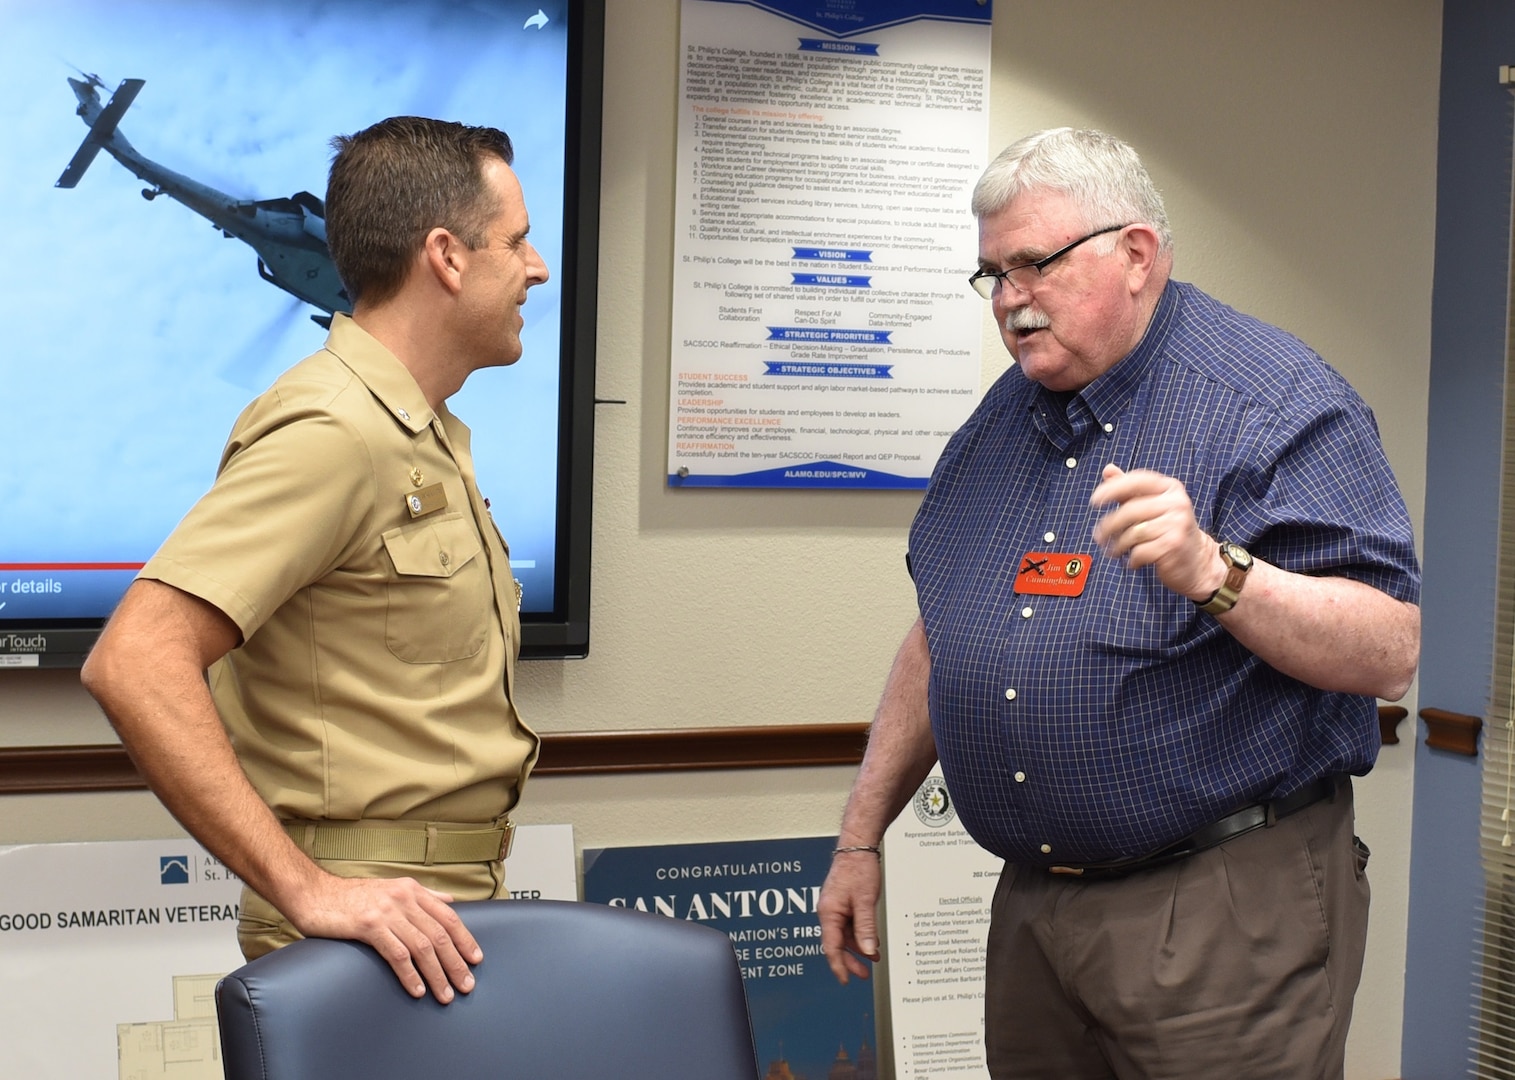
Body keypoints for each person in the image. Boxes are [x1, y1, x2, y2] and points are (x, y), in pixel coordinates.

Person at [816, 128, 1420, 1079]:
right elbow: (944, 636)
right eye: (992, 276)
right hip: (1033, 912)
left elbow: (1389, 649)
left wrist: (1212, 571)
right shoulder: (999, 423)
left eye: (1033, 265)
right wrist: (860, 834)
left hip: (1221, 905)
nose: (1010, 302)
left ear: (1135, 254)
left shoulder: (1272, 402)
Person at [81, 116, 549, 1004]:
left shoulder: (417, 430)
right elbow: (135, 661)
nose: (536, 268)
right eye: (516, 242)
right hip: (367, 938)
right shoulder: (334, 428)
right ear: (446, 257)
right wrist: (306, 889)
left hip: (436, 914)